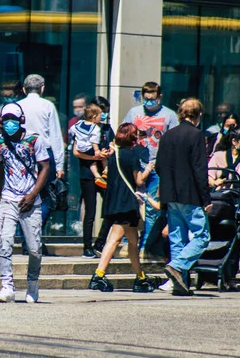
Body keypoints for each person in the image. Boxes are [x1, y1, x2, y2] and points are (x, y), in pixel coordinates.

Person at [88, 123, 157, 293]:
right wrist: (148, 169)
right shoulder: (132, 155)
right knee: (115, 239)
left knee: (133, 242)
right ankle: (98, 275)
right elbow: (139, 180)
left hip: (115, 200)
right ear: (132, 137)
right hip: (126, 202)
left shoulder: (114, 154)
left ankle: (140, 277)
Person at [0, 103, 50, 303]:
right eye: (6, 120)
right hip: (9, 198)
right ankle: (7, 286)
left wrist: (33, 194)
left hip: (30, 201)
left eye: (13, 120)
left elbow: (45, 167)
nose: (9, 124)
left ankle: (32, 284)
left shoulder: (35, 140)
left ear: (21, 121)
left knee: (34, 248)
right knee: (5, 243)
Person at [156, 98, 212, 296]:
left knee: (177, 239)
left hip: (171, 194)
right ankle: (177, 267)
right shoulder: (196, 135)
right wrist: (206, 199)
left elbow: (158, 166)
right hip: (190, 194)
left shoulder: (168, 135)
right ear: (198, 116)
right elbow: (200, 169)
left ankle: (179, 282)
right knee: (202, 236)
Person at [122, 82, 178, 253]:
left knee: (152, 207)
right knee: (130, 205)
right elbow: (123, 134)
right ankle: (127, 242)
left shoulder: (169, 116)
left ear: (159, 97)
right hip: (136, 164)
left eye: (152, 100)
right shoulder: (134, 113)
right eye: (146, 100)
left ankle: (146, 245)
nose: (148, 103)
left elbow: (174, 142)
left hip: (157, 167)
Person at [17, 74, 64, 234]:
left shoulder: (18, 106)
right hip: (44, 155)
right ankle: (33, 234)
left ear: (24, 89)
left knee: (23, 193)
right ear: (42, 89)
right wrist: (59, 165)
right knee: (46, 196)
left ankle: (25, 236)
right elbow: (56, 136)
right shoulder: (48, 106)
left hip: (22, 154)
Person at [71, 96, 115, 257]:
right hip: (87, 174)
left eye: (105, 113)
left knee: (111, 209)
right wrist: (95, 158)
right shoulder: (82, 127)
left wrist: (107, 153)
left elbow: (112, 146)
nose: (103, 115)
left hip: (105, 175)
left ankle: (100, 242)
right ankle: (87, 247)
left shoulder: (107, 128)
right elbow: (77, 152)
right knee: (90, 212)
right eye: (101, 112)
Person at [69, 103, 106, 188]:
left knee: (92, 163)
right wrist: (97, 150)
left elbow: (72, 130)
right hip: (89, 148)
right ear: (94, 117)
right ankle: (105, 171)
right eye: (100, 115)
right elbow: (94, 141)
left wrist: (77, 138)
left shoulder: (79, 123)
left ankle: (97, 176)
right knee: (102, 155)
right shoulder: (95, 128)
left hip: (80, 147)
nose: (101, 117)